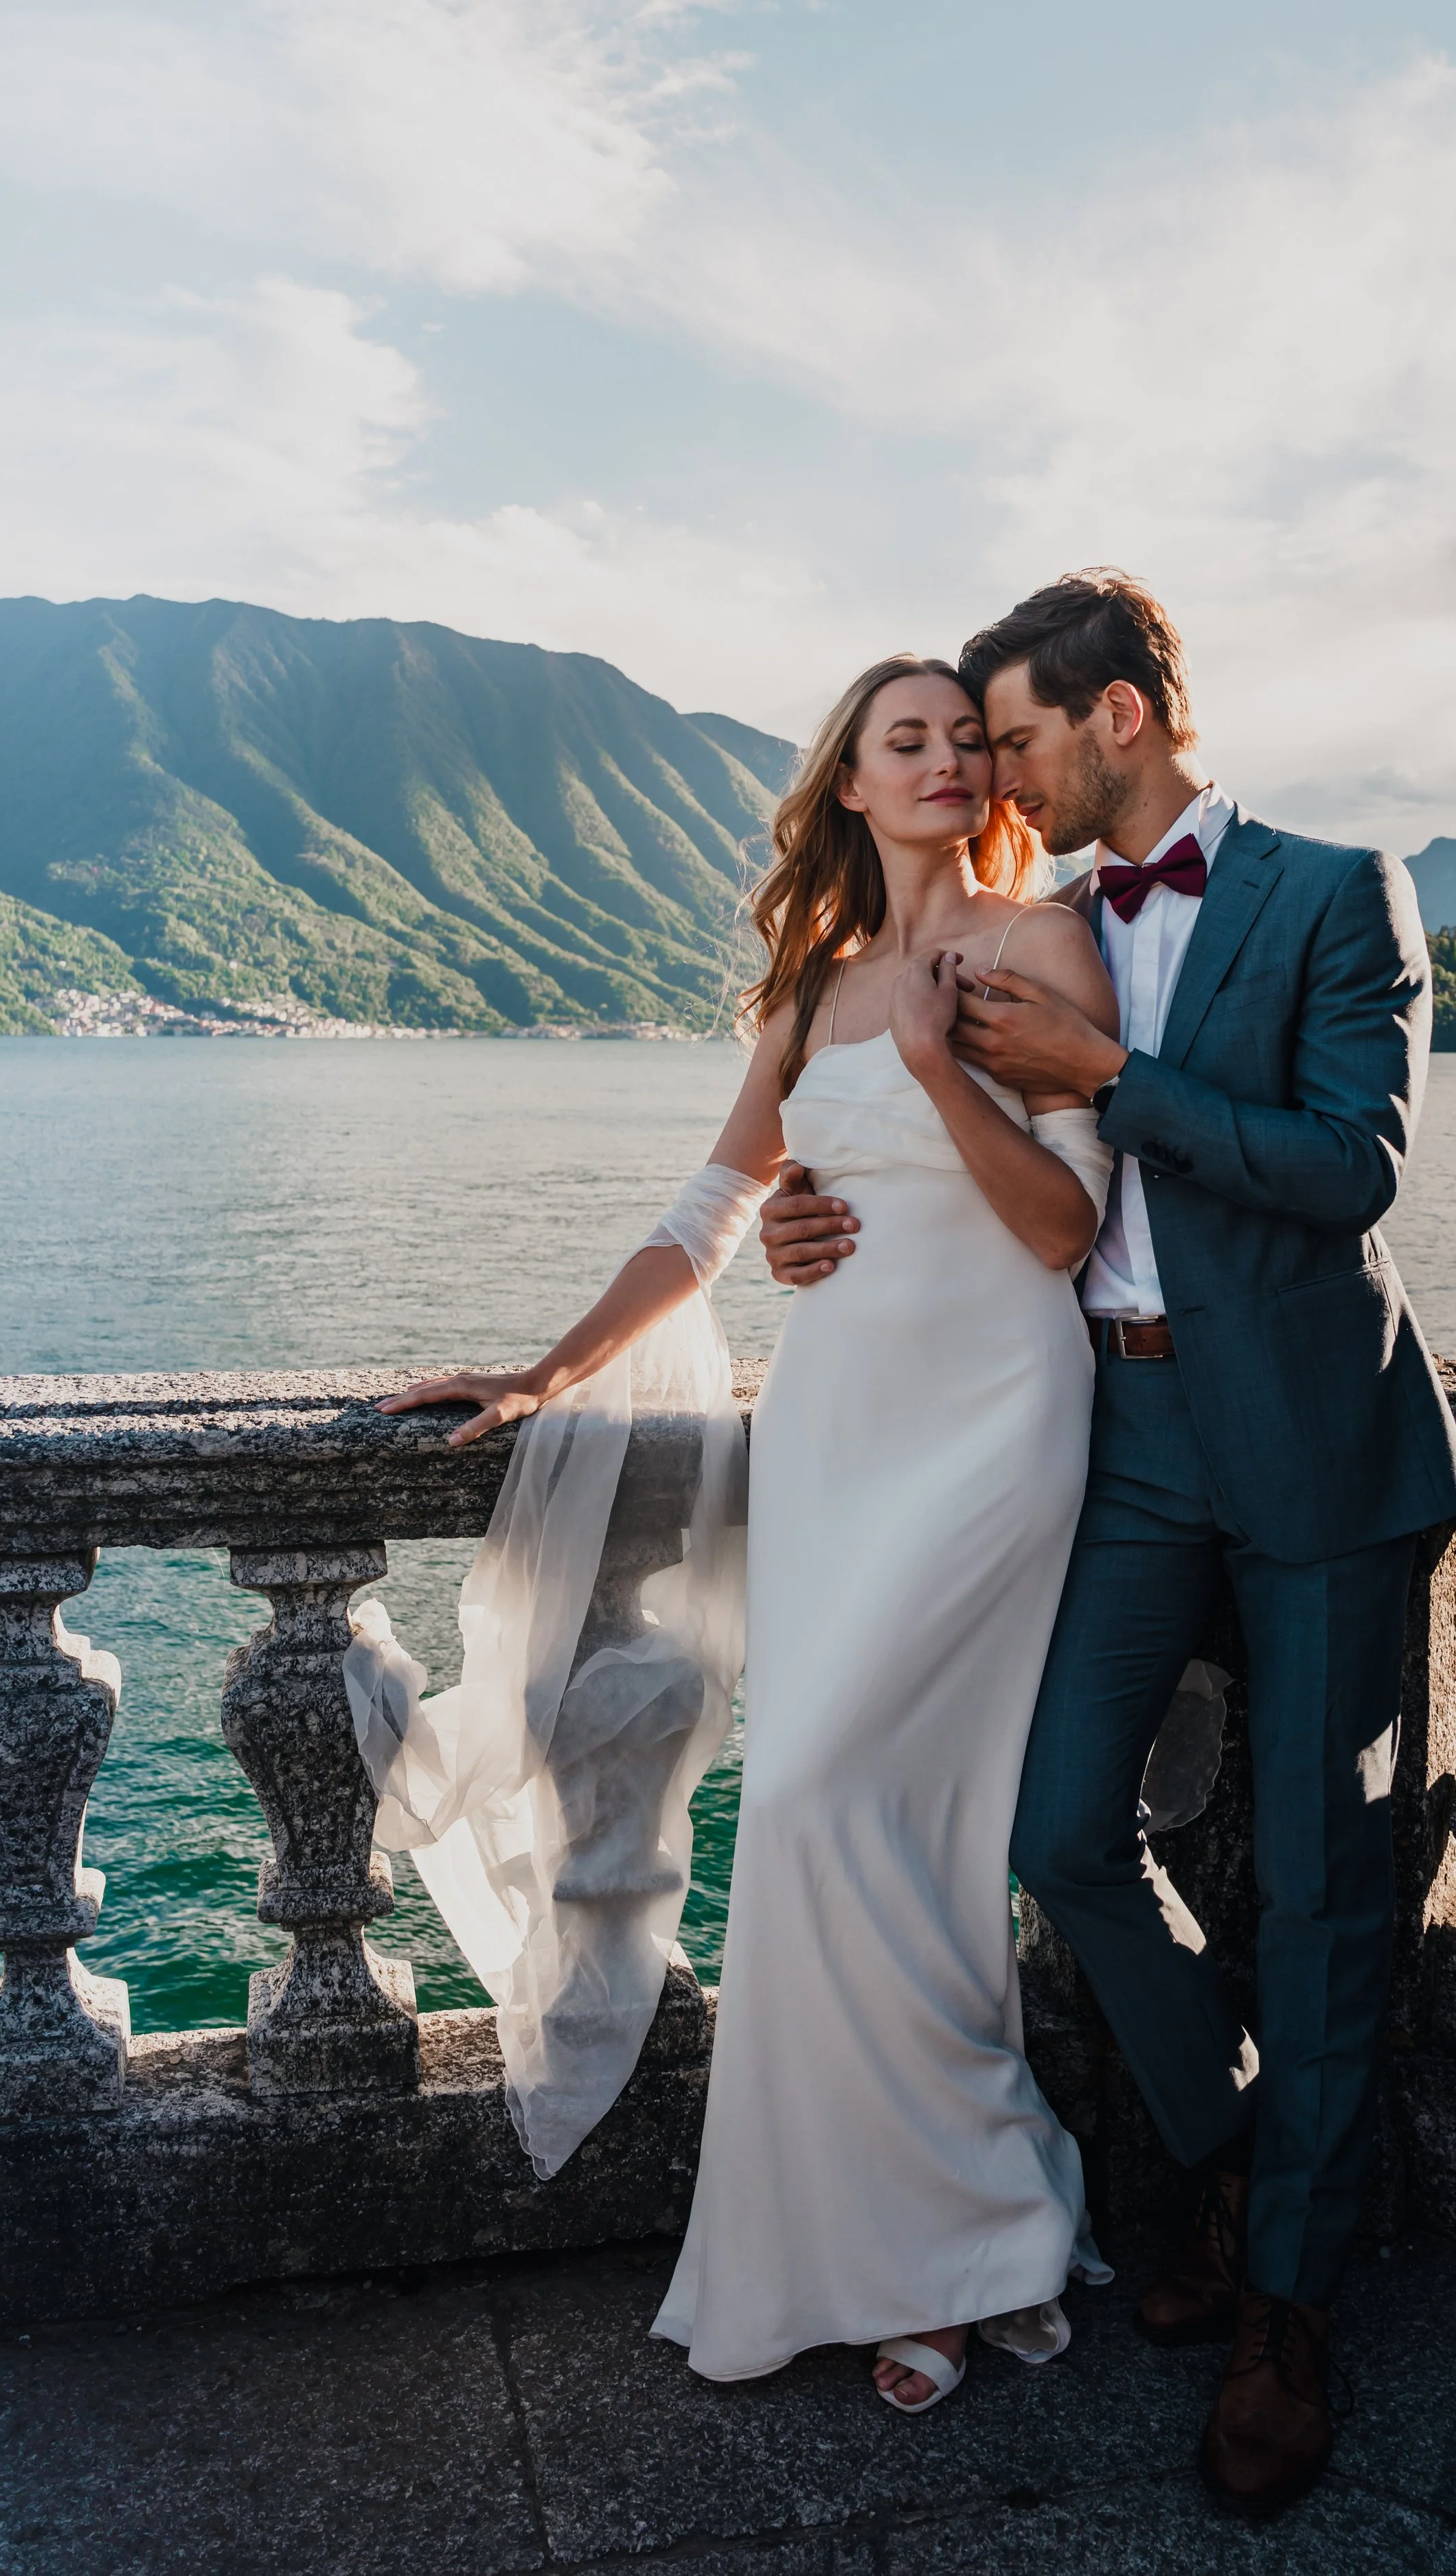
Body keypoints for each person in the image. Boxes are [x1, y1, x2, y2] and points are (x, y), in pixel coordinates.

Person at [762, 571, 1456, 2512]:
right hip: (1115, 1434)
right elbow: (900, 1159)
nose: (988, 769)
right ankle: (1248, 2152)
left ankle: (1289, 2308)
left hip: (1319, 1441)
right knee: (1063, 1827)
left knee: (1324, 1882)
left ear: (1124, 715)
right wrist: (801, 1220)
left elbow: (1355, 1164)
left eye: (1010, 735)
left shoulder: (1337, 884)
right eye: (962, 741)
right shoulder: (1040, 921)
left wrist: (1117, 1088)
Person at [359, 653, 1124, 2412]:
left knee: (832, 1798)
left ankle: (960, 2236)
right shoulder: (806, 989)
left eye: (959, 738)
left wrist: (938, 1072)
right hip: (840, 1427)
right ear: (848, 785)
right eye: (900, 741)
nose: (939, 760)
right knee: (851, 1835)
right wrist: (544, 1371)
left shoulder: (1035, 953)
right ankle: (912, 2241)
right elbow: (711, 1219)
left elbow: (1065, 1231)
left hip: (996, 1425)